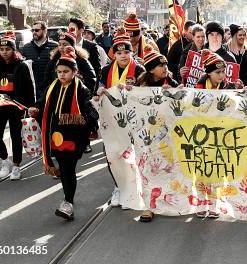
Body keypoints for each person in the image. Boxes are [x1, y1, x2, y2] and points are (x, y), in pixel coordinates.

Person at [28, 48, 98, 220]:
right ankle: (68, 201)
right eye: (59, 72)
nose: (62, 75)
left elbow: (91, 113)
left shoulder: (81, 90)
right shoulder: (52, 88)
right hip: (56, 137)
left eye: (66, 72)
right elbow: (42, 103)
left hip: (75, 137)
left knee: (68, 169)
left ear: (75, 72)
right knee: (66, 169)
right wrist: (35, 109)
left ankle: (68, 202)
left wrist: (89, 116)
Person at [96, 28, 145, 207]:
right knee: (112, 154)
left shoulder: (139, 69)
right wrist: (99, 92)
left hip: (133, 119)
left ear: (132, 52)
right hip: (112, 120)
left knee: (135, 154)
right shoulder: (105, 70)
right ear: (114, 54)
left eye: (126, 52)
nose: (123, 56)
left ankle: (136, 185)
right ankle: (118, 186)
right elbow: (97, 90)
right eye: (119, 52)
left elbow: (145, 93)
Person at [136, 45, 179, 223]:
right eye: (161, 66)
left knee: (169, 167)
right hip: (146, 137)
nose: (165, 69)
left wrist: (178, 92)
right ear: (152, 69)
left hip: (167, 136)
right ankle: (148, 207)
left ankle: (168, 201)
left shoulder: (172, 83)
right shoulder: (140, 85)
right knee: (148, 169)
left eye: (166, 65)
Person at [0, 31, 35, 180]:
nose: (4, 52)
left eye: (7, 49)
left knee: (16, 137)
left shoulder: (21, 65)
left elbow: (29, 88)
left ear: (13, 50)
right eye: (2, 50)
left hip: (16, 107)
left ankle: (17, 165)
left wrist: (30, 108)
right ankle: (5, 161)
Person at [21, 21, 58, 99]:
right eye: (32, 30)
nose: (34, 32)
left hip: (50, 88)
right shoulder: (26, 48)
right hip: (32, 89)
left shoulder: (55, 46)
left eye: (37, 30)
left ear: (45, 30)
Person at [69, 18, 101, 83]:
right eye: (69, 28)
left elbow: (97, 69)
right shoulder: (67, 45)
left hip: (86, 86)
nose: (70, 31)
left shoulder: (92, 46)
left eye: (72, 28)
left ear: (81, 30)